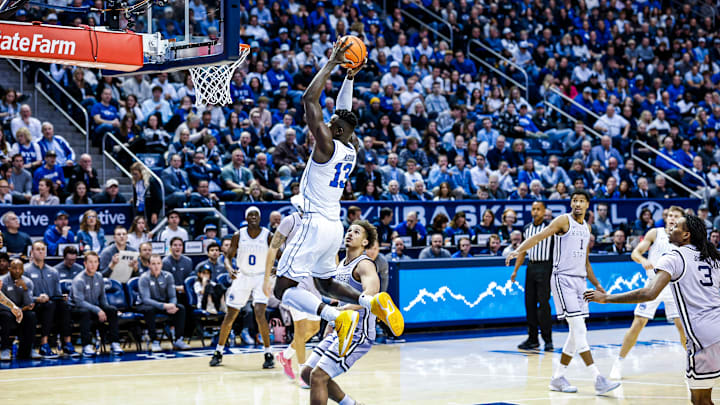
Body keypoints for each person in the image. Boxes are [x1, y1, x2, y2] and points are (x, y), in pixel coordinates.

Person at [272, 38, 403, 359]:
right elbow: (344, 112)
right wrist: (350, 76)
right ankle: (370, 301)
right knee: (325, 284)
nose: (328, 123)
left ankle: (335, 316)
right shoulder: (351, 149)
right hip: (333, 226)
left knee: (282, 289)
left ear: (339, 132)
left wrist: (332, 62)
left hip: (313, 223)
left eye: (333, 124)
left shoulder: (327, 145)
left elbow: (308, 100)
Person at [585, 214, 720, 405]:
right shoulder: (712, 257)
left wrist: (606, 298)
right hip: (716, 329)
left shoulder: (675, 256)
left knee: (700, 401)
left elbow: (649, 293)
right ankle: (620, 362)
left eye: (676, 227)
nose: (671, 228)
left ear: (686, 235)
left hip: (703, 338)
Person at [506, 190, 620, 395]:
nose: (577, 204)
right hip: (562, 280)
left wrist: (597, 285)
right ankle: (598, 378)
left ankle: (558, 378)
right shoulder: (562, 221)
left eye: (581, 201)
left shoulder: (587, 227)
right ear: (571, 204)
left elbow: (585, 261)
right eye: (574, 200)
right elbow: (539, 236)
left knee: (577, 333)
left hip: (580, 282)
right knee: (578, 329)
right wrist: (518, 250)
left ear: (587, 205)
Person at [300, 220, 380, 405]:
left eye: (357, 232)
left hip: (359, 333)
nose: (350, 233)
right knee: (306, 373)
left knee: (318, 376)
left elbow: (372, 294)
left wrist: (342, 311)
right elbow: (338, 299)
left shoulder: (365, 264)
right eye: (349, 230)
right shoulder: (341, 264)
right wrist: (331, 323)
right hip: (341, 328)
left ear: (365, 242)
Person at [608, 206, 687, 380]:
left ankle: (692, 363)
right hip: (653, 285)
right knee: (638, 324)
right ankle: (618, 364)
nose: (672, 218)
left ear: (682, 220)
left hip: (674, 287)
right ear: (666, 217)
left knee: (683, 328)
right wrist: (643, 260)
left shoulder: (684, 238)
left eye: (676, 216)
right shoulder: (655, 233)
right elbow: (635, 253)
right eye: (670, 215)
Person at [210, 207, 274, 368]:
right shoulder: (239, 235)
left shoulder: (267, 235)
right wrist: (229, 268)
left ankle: (268, 353)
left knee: (260, 312)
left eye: (256, 215)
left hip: (260, 277)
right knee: (230, 315)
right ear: (246, 218)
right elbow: (228, 256)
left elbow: (279, 254)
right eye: (250, 215)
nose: (253, 217)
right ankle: (218, 351)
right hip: (243, 276)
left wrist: (276, 267)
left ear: (260, 217)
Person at [264, 211, 321, 387]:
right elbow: (273, 248)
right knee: (300, 328)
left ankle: (285, 355)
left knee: (313, 328)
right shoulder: (290, 221)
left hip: (314, 278)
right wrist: (267, 278)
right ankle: (304, 373)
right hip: (293, 279)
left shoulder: (320, 221)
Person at [510, 201, 554, 352]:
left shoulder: (550, 228)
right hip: (531, 267)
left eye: (538, 209)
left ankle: (548, 340)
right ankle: (533, 339)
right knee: (529, 304)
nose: (535, 212)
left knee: (543, 305)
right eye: (533, 209)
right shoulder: (527, 229)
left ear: (544, 211)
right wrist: (516, 270)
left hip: (546, 266)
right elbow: (522, 251)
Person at [25, 241, 78, 358]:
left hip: (51, 304)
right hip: (34, 305)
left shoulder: (53, 271)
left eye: (43, 249)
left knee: (64, 305)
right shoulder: (26, 270)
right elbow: (23, 295)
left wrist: (62, 297)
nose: (40, 251)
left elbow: (57, 293)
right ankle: (44, 345)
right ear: (32, 252)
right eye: (38, 249)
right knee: (49, 305)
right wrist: (37, 298)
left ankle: (67, 343)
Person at [70, 251, 123, 356]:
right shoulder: (79, 280)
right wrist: (98, 310)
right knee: (85, 312)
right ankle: (86, 346)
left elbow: (102, 299)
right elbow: (79, 302)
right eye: (90, 262)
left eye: (95, 262)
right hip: (77, 309)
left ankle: (115, 344)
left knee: (112, 310)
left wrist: (105, 309)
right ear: (85, 263)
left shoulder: (99, 277)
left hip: (93, 308)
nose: (93, 265)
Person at [137, 254, 191, 352]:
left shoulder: (168, 276)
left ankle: (178, 339)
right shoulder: (144, 278)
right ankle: (154, 341)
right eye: (153, 264)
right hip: (146, 304)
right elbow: (146, 299)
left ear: (162, 264)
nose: (156, 266)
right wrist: (164, 306)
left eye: (158, 263)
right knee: (150, 310)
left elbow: (173, 296)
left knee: (181, 308)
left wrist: (172, 305)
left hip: (163, 303)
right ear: (148, 265)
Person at [0, 259, 37, 360]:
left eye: (20, 269)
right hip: (6, 311)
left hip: (21, 310)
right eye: (14, 268)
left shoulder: (28, 282)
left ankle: (28, 349)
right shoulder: (2, 281)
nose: (17, 271)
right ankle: (4, 349)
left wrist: (25, 289)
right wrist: (13, 309)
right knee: (5, 316)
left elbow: (29, 304)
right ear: (9, 269)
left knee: (31, 316)